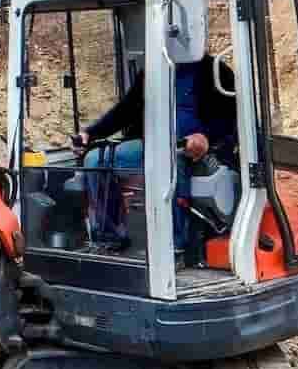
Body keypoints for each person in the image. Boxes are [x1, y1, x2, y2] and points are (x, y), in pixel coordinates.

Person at [72, 51, 238, 257]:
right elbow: (125, 110)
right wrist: (90, 133)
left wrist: (206, 136)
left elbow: (232, 118)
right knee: (94, 160)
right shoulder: (152, 71)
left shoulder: (215, 71)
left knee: (171, 159)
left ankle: (176, 246)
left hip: (194, 149)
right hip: (152, 144)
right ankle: (110, 239)